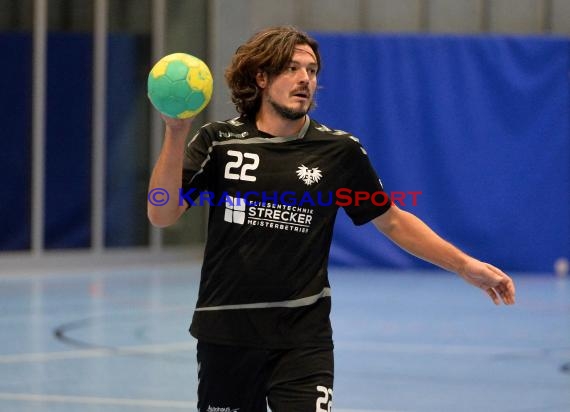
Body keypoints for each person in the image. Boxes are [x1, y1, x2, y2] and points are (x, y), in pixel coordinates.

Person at [148, 26, 515, 412]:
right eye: (291, 68)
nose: (305, 78)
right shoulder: (218, 142)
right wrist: (176, 132)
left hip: (303, 337)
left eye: (312, 70)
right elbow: (161, 212)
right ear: (261, 77)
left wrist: (464, 265)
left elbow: (391, 220)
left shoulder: (338, 151)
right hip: (227, 331)